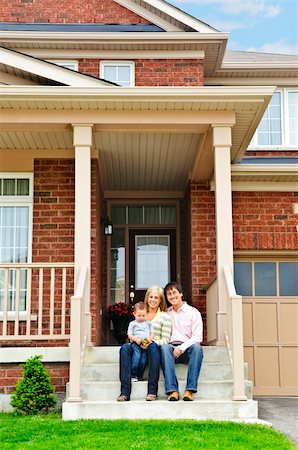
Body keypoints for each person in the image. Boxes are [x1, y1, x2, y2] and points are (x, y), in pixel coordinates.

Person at [117, 286, 172, 402]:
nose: (153, 300)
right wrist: (138, 341)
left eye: (156, 298)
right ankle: (124, 392)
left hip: (152, 349)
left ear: (160, 300)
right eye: (151, 297)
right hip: (137, 345)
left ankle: (152, 391)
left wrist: (148, 342)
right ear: (147, 298)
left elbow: (165, 340)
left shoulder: (165, 317)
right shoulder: (140, 313)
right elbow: (132, 333)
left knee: (153, 347)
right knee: (125, 348)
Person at [160, 281, 203, 401]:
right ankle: (172, 390)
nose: (172, 296)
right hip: (170, 350)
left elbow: (198, 337)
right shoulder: (165, 313)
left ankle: (189, 390)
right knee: (164, 348)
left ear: (181, 294)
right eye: (169, 294)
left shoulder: (193, 313)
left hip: (187, 349)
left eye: (174, 293)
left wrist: (181, 347)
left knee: (197, 348)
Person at [127, 301, 155, 382]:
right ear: (134, 314)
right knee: (136, 358)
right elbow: (129, 335)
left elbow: (152, 334)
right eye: (139, 315)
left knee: (143, 360)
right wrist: (136, 340)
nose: (141, 317)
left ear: (147, 314)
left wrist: (148, 340)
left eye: (143, 315)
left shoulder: (149, 324)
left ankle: (139, 375)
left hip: (146, 344)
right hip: (136, 344)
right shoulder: (132, 324)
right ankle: (133, 375)